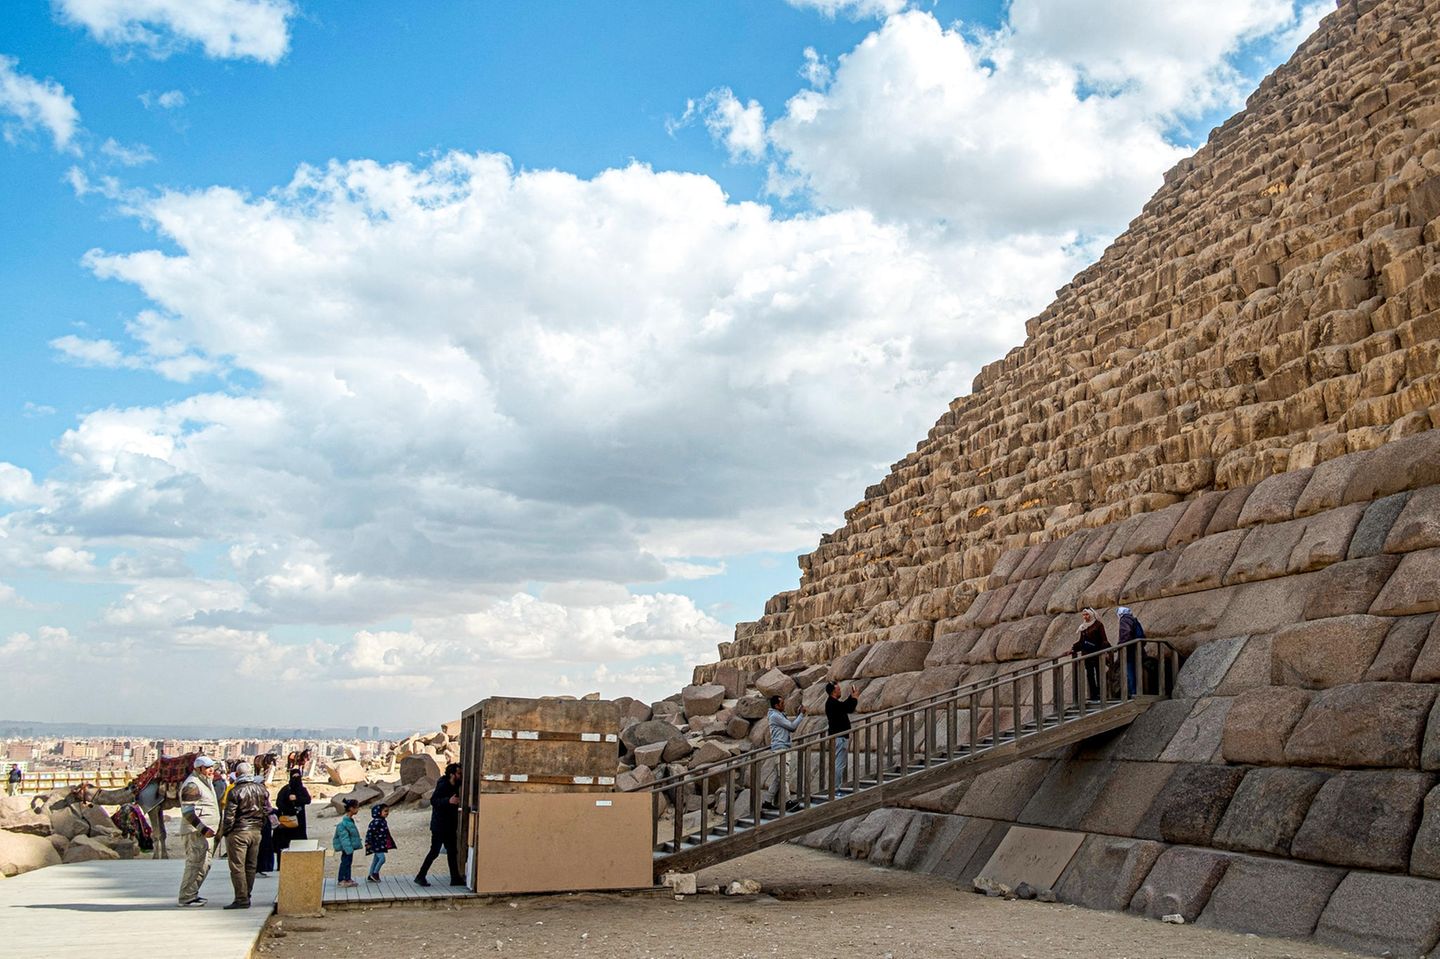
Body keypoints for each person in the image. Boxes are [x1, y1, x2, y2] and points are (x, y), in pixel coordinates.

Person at [220, 761, 268, 909]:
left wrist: (225, 832)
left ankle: (241, 898)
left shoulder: (235, 791)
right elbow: (266, 811)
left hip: (239, 832)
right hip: (256, 832)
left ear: (238, 774)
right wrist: (260, 826)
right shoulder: (261, 789)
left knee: (237, 867)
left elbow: (229, 816)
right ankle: (247, 895)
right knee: (251, 866)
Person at [177, 756, 221, 907]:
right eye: (208, 768)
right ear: (199, 768)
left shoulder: (205, 783)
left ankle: (192, 894)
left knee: (204, 864)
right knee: (195, 864)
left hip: (206, 833)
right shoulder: (192, 785)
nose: (211, 770)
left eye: (212, 767)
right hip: (196, 832)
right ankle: (185, 897)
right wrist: (203, 829)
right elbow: (188, 812)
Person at [415, 763, 463, 887]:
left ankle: (455, 878)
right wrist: (448, 801)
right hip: (440, 825)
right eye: (458, 773)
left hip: (449, 825)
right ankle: (421, 876)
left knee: (452, 851)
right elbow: (434, 801)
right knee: (435, 851)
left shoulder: (456, 784)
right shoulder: (443, 785)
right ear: (452, 774)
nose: (460, 776)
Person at [763, 695, 805, 812]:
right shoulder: (776, 716)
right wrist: (801, 715)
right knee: (784, 777)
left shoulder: (778, 715)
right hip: (780, 749)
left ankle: (767, 801)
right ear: (776, 705)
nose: (784, 705)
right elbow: (792, 727)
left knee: (778, 777)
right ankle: (787, 802)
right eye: (782, 703)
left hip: (782, 748)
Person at [1070, 607, 1110, 701]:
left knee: (1099, 673)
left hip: (1097, 653)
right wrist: (1073, 648)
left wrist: (1105, 651)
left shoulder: (1098, 625)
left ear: (1091, 615)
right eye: (1084, 615)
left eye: (1087, 614)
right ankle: (1094, 695)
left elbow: (1104, 639)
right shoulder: (1083, 626)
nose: (1085, 617)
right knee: (1090, 675)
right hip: (1087, 655)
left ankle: (1102, 693)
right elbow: (1081, 641)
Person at [824, 682, 858, 792]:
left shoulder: (832, 702)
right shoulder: (832, 703)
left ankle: (835, 788)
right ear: (834, 691)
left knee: (838, 764)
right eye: (838, 690)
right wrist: (854, 699)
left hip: (838, 737)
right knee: (839, 765)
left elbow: (843, 706)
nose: (840, 691)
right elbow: (848, 708)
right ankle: (836, 789)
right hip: (839, 737)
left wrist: (851, 697)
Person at [273, 769, 311, 853]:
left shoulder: (302, 789)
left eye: (298, 776)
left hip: (299, 821)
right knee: (286, 846)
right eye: (294, 777)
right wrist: (290, 810)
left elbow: (308, 800)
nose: (296, 779)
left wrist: (297, 799)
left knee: (300, 844)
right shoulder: (285, 789)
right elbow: (279, 803)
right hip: (287, 821)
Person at [331, 799, 362, 888]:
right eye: (356, 808)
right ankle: (342, 879)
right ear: (351, 808)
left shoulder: (349, 821)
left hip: (349, 848)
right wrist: (348, 849)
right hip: (347, 848)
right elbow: (344, 838)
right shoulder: (344, 824)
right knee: (345, 862)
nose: (358, 810)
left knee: (348, 862)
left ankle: (348, 878)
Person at [1116, 605, 1146, 695]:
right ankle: (1137, 691)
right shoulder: (1134, 619)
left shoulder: (1124, 619)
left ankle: (1133, 692)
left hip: (1129, 649)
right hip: (1136, 649)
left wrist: (1121, 645)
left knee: (1129, 670)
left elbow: (1126, 633)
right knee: (1135, 670)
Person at [365, 803, 396, 882]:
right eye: (385, 811)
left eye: (388, 811)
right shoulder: (375, 822)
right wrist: (367, 842)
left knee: (375, 860)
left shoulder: (383, 821)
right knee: (382, 859)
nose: (387, 813)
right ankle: (375, 874)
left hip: (380, 844)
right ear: (378, 812)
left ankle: (370, 874)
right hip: (376, 844)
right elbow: (369, 833)